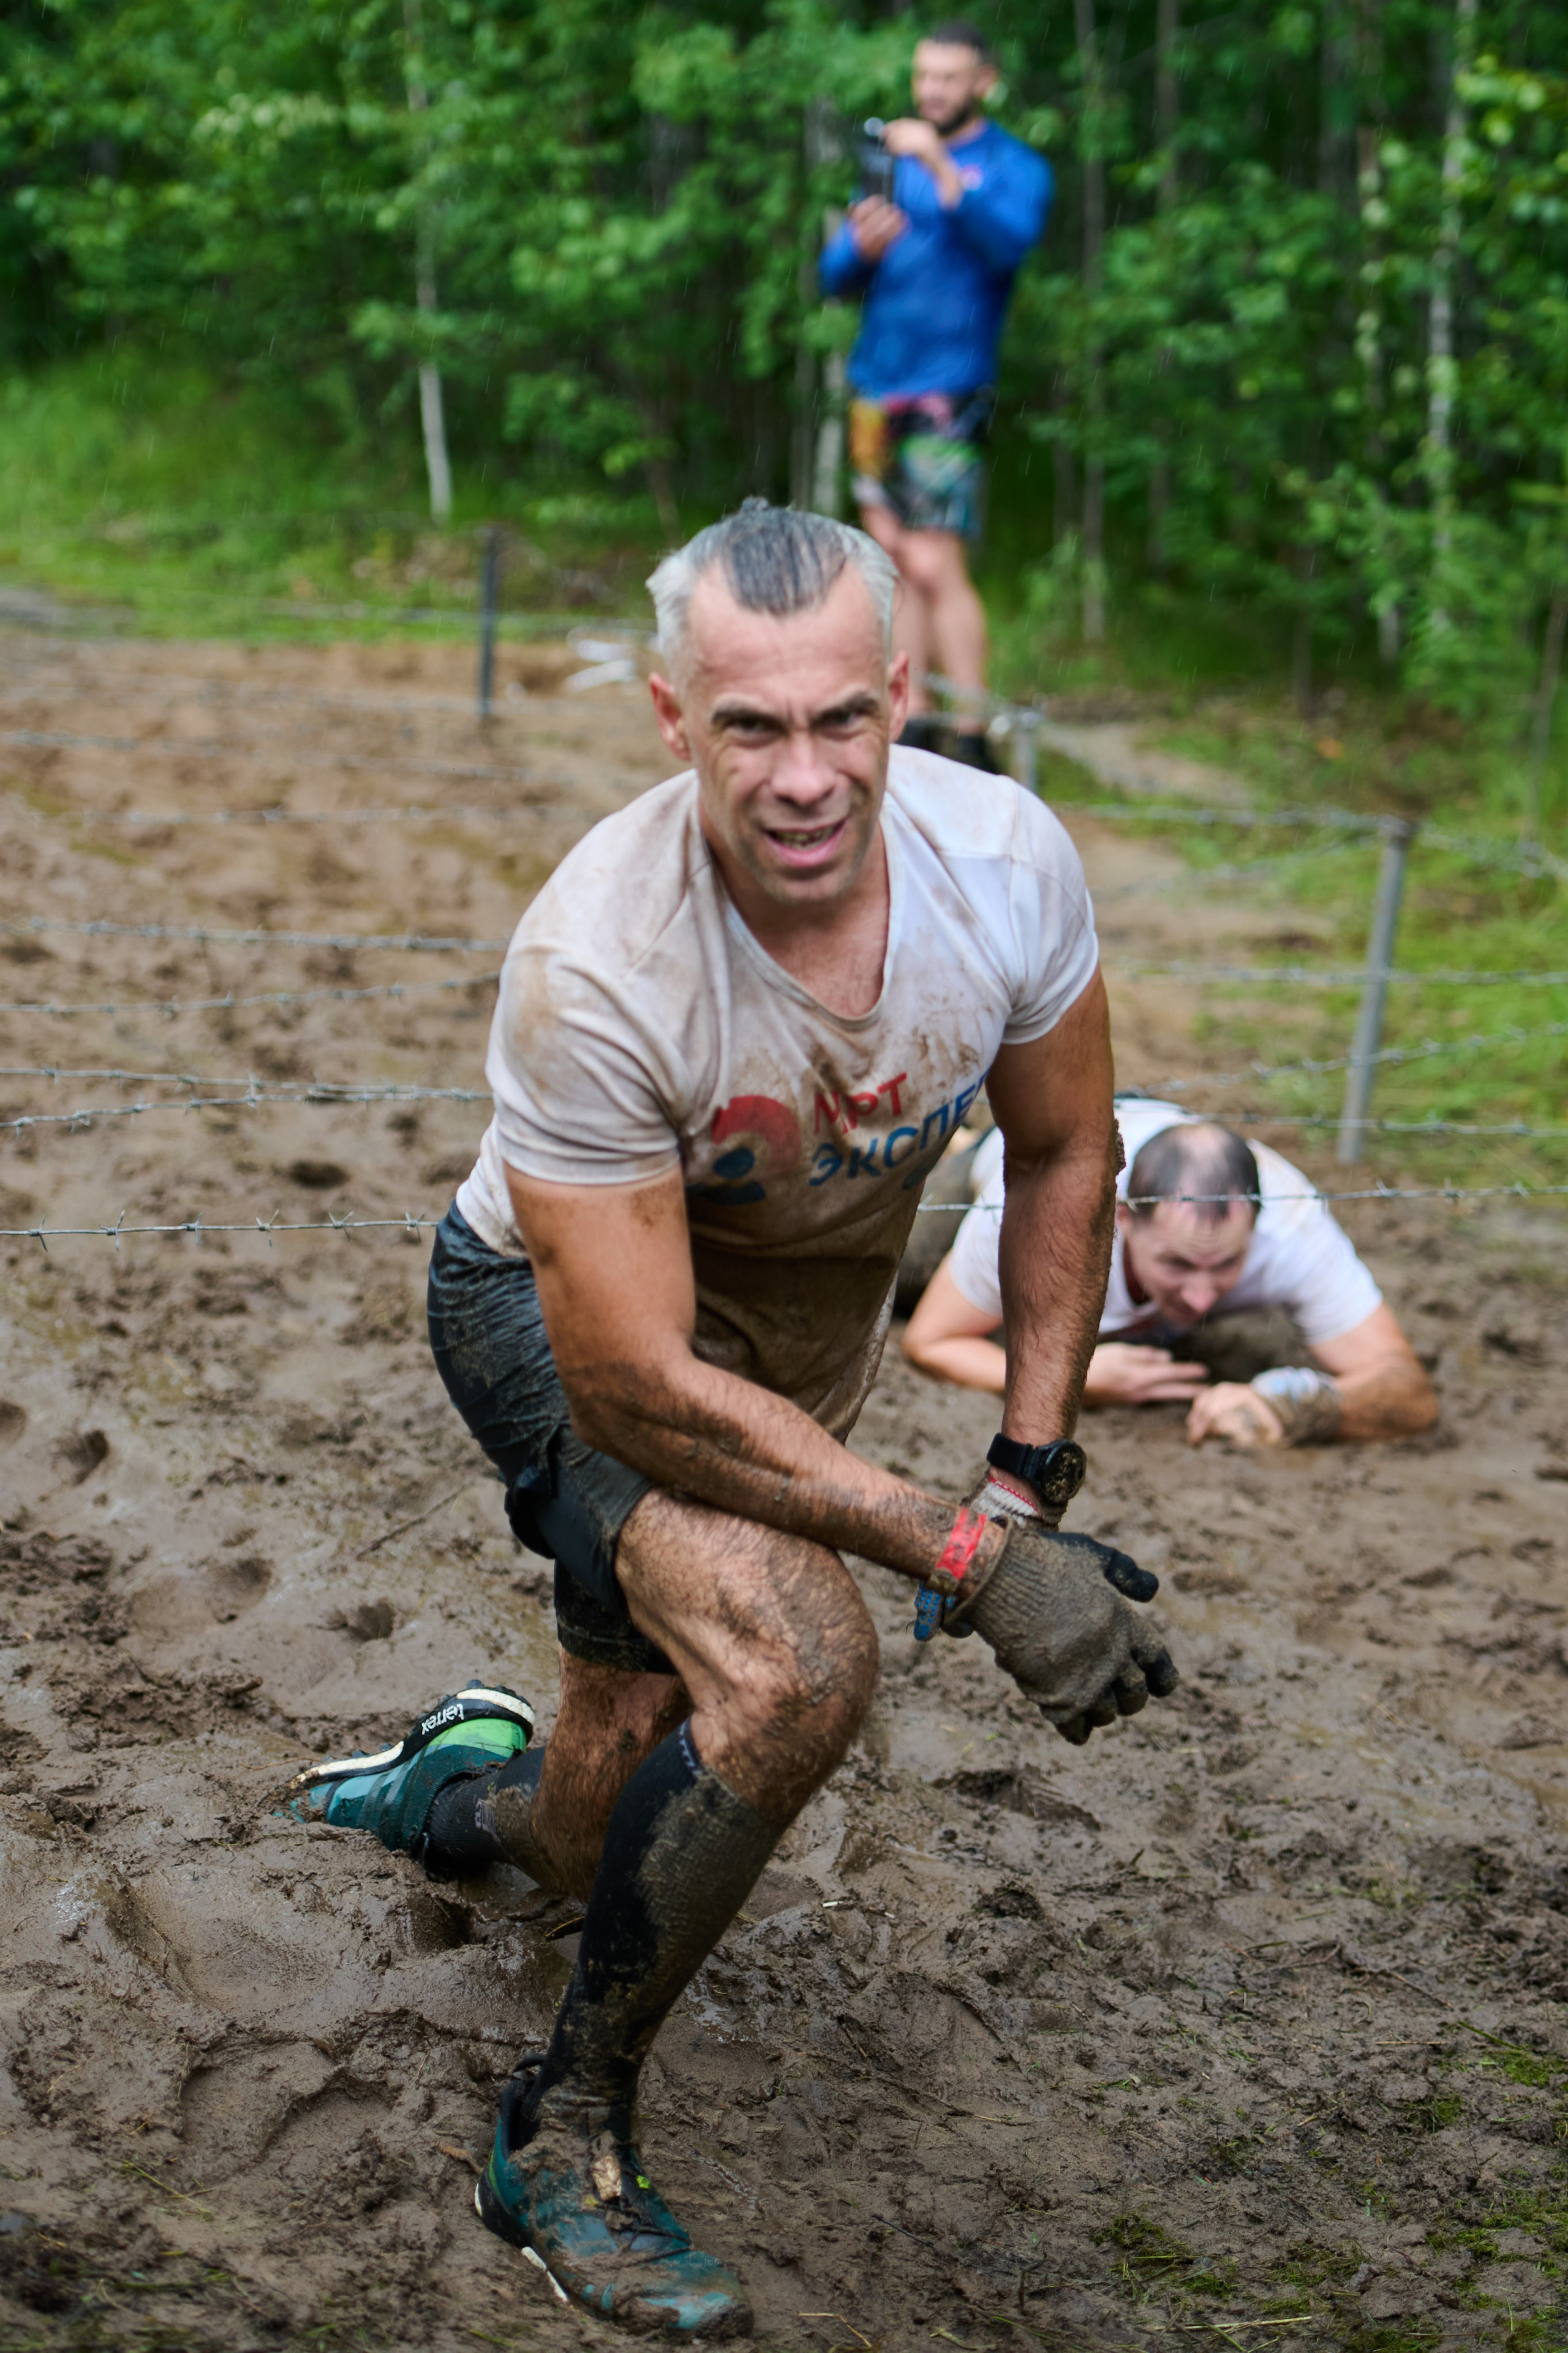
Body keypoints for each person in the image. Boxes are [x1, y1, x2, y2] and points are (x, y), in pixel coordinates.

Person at [285, 504, 1177, 2340]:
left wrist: (1026, 1453)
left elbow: (1070, 1144)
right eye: (749, 727)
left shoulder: (1003, 861)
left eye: (840, 720)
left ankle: (462, 1794)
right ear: (667, 713)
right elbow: (631, 1384)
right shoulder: (600, 960)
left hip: (797, 1329)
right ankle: (564, 2126)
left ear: (904, 695)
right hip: (559, 1321)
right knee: (791, 1665)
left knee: (610, 1766)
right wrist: (966, 1551)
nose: (803, 777)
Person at [903, 1097, 1438, 1447]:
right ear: (1122, 1222)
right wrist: (1074, 1380)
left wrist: (1289, 1405)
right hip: (1006, 1153)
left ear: (1257, 1222)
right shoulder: (1038, 1212)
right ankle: (956, 1140)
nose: (1202, 1300)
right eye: (1177, 1263)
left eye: (1228, 1263)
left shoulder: (1292, 1222)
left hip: (1143, 1122)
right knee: (898, 1273)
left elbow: (1407, 1390)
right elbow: (931, 1340)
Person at [818, 20, 1050, 771]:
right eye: (924, 77)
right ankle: (914, 722)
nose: (931, 91)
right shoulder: (885, 161)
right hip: (874, 383)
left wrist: (946, 172)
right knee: (890, 555)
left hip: (949, 390)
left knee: (933, 561)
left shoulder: (1014, 165)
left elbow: (1008, 247)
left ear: (984, 81)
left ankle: (975, 734)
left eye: (948, 78)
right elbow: (832, 277)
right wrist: (860, 245)